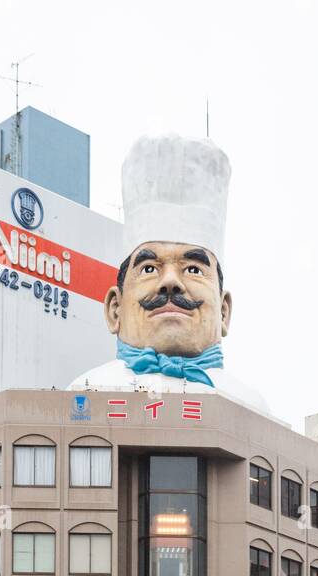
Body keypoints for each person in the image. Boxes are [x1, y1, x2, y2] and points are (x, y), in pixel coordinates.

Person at [69, 134, 269, 415]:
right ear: (115, 308)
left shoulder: (249, 408)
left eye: (193, 269)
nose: (171, 282)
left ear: (224, 311)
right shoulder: (86, 393)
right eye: (149, 268)